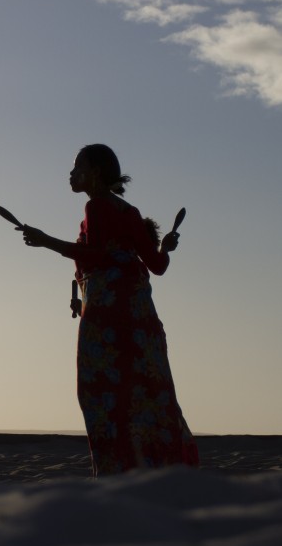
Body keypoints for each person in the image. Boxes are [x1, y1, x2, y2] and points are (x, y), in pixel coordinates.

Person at [20, 144, 199, 476]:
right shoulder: (129, 211)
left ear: (95, 173)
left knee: (102, 392)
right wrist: (164, 247)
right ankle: (166, 467)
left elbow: (97, 256)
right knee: (148, 393)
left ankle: (118, 471)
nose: (71, 174)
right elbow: (157, 266)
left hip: (109, 317)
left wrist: (46, 241)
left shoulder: (97, 206)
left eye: (77, 167)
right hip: (140, 317)